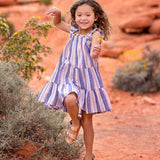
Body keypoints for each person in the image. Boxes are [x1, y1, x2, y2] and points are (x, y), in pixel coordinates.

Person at [38, 0, 112, 159]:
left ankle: (88, 155)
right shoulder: (73, 31)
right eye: (79, 15)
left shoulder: (96, 34)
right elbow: (58, 23)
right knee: (70, 100)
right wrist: (57, 13)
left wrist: (95, 51)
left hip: (88, 80)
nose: (83, 18)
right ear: (75, 17)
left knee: (88, 120)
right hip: (68, 76)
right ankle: (74, 122)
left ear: (96, 17)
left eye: (87, 15)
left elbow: (95, 47)